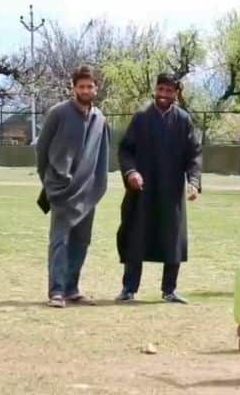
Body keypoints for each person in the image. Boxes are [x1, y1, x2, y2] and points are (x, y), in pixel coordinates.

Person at [115, 73, 202, 304]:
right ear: (156, 89)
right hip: (141, 191)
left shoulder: (183, 120)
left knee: (172, 238)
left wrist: (193, 182)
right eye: (161, 89)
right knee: (136, 237)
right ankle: (129, 289)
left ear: (176, 93)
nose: (164, 95)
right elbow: (125, 150)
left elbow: (194, 154)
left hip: (171, 191)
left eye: (169, 91)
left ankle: (169, 290)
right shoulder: (141, 118)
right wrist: (131, 172)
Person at [35, 65, 110, 308]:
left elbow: (103, 157)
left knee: (81, 241)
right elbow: (42, 150)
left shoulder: (100, 119)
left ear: (96, 89)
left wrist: (97, 186)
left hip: (88, 191)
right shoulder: (58, 113)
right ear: (74, 87)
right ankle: (56, 291)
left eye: (90, 86)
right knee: (60, 241)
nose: (86, 90)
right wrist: (50, 181)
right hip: (61, 189)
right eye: (81, 86)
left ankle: (72, 288)